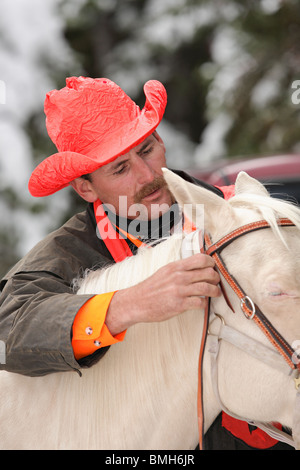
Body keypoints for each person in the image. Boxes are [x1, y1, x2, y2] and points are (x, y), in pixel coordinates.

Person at [0, 76, 292, 450]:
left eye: (147, 149)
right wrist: (129, 304)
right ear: (86, 188)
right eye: (119, 168)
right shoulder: (66, 253)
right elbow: (9, 330)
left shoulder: (240, 216)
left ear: (161, 141)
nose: (147, 175)